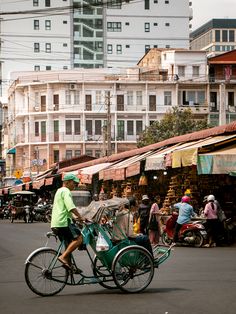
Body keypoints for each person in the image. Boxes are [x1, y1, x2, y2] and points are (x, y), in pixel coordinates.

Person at [51, 173, 84, 269]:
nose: (75, 186)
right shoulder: (66, 191)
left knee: (68, 244)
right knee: (79, 239)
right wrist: (80, 216)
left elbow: (63, 208)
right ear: (68, 182)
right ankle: (63, 257)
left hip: (56, 223)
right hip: (63, 222)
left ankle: (69, 265)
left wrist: (74, 218)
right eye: (74, 183)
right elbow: (70, 207)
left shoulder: (59, 191)